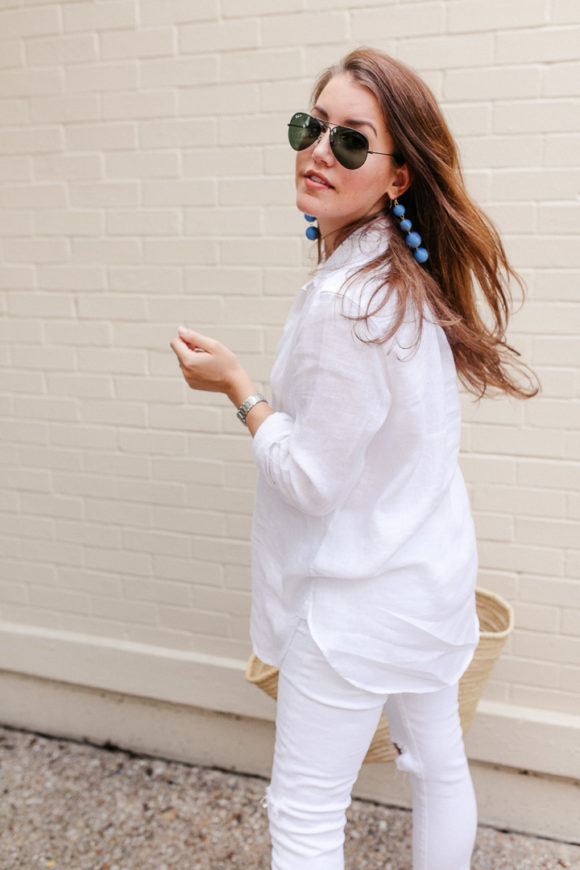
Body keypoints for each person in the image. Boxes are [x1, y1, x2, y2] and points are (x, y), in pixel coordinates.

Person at [171, 48, 537, 870]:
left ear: (398, 177)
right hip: (427, 589)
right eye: (312, 126)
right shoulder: (405, 281)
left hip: (351, 613)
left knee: (304, 813)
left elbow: (311, 479)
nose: (317, 150)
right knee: (439, 768)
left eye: (350, 141)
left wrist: (237, 387)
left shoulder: (349, 301)